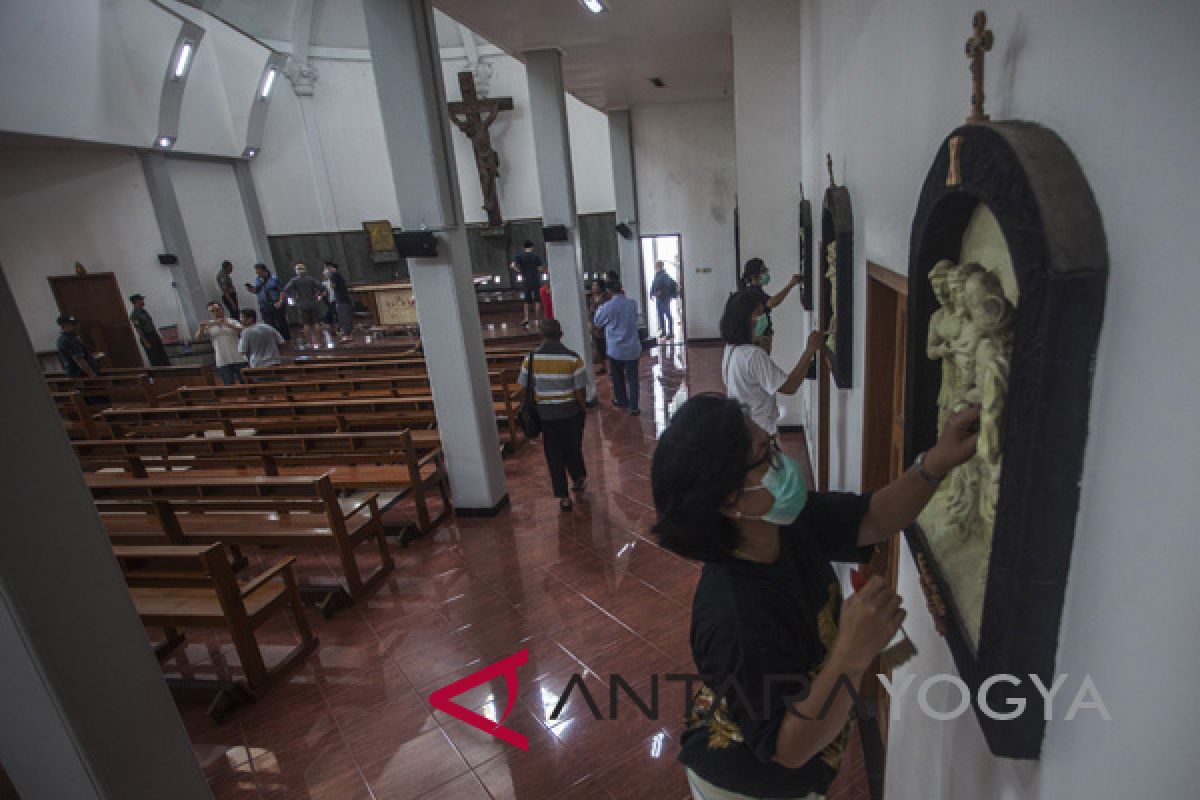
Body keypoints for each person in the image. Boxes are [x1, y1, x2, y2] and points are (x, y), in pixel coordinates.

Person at [650, 394, 980, 800]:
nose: (781, 460)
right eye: (765, 455)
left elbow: (873, 518)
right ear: (729, 500)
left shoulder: (783, 525)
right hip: (749, 787)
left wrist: (935, 463)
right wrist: (852, 651)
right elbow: (789, 748)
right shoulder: (735, 617)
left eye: (772, 443)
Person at [720, 289, 823, 441]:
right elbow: (789, 387)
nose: (764, 318)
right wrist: (809, 351)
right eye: (759, 314)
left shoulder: (731, 347)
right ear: (746, 319)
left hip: (745, 426)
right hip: (760, 431)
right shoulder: (753, 355)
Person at [518, 320, 588, 512]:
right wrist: (583, 410)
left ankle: (564, 497)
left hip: (545, 416)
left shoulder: (530, 359)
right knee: (573, 447)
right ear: (561, 334)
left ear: (541, 335)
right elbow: (580, 391)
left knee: (553, 455)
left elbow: (523, 386)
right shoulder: (574, 359)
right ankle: (578, 477)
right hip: (570, 412)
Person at [593, 281, 642, 415]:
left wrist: (600, 305)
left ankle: (621, 400)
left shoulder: (608, 306)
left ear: (609, 293)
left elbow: (597, 322)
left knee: (618, 377)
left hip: (616, 349)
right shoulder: (632, 303)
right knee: (633, 378)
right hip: (632, 347)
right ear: (622, 290)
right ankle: (634, 407)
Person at [742, 258, 803, 354]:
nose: (766, 272)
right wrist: (790, 285)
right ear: (754, 275)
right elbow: (771, 303)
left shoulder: (754, 290)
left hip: (760, 337)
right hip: (759, 338)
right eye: (763, 270)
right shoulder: (753, 292)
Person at [196, 301, 245, 384]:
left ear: (222, 310)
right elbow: (198, 339)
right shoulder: (209, 325)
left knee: (245, 382)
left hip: (238, 357)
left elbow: (243, 330)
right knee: (229, 384)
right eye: (212, 311)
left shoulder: (232, 321)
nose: (216, 313)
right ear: (210, 313)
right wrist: (201, 328)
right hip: (222, 359)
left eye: (217, 310)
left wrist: (227, 324)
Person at [279, 263, 326, 348]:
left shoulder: (294, 280)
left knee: (306, 324)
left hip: (302, 305)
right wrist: (319, 296)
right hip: (313, 303)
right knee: (316, 323)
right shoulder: (311, 279)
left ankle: (308, 342)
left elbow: (285, 290)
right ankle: (319, 342)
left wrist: (293, 296)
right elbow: (322, 287)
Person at [246, 263, 290, 341]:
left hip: (275, 303)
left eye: (259, 272)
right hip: (264, 305)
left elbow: (282, 291)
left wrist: (280, 301)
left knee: (281, 321)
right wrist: (251, 289)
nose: (257, 274)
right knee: (269, 323)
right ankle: (274, 339)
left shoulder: (274, 278)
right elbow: (257, 291)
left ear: (264, 271)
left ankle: (286, 338)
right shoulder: (258, 280)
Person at [128, 294, 170, 366]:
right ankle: (160, 375)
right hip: (147, 337)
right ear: (136, 302)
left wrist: (157, 335)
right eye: (141, 300)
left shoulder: (144, 311)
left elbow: (151, 323)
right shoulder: (134, 315)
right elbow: (138, 330)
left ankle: (169, 372)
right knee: (155, 358)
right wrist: (146, 342)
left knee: (162, 355)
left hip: (153, 335)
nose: (142, 301)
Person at [509, 240, 544, 328]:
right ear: (532, 247)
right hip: (535, 279)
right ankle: (539, 320)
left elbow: (512, 265)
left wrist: (520, 271)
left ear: (524, 247)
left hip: (526, 280)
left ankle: (526, 319)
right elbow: (540, 269)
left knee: (526, 300)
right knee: (537, 300)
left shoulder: (519, 256)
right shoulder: (536, 256)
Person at [322, 260, 354, 342]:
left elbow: (332, 286)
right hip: (343, 299)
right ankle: (348, 334)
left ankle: (347, 335)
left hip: (341, 300)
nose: (325, 270)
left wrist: (327, 278)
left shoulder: (334, 275)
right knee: (346, 317)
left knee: (344, 317)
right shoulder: (337, 274)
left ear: (329, 267)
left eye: (325, 268)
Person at [650, 260, 679, 341]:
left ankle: (671, 332)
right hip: (658, 298)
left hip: (664, 298)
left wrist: (660, 292)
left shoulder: (664, 275)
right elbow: (654, 285)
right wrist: (651, 293)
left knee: (668, 314)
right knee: (660, 315)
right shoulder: (657, 275)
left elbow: (667, 285)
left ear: (660, 265)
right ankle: (663, 331)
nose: (655, 266)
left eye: (656, 265)